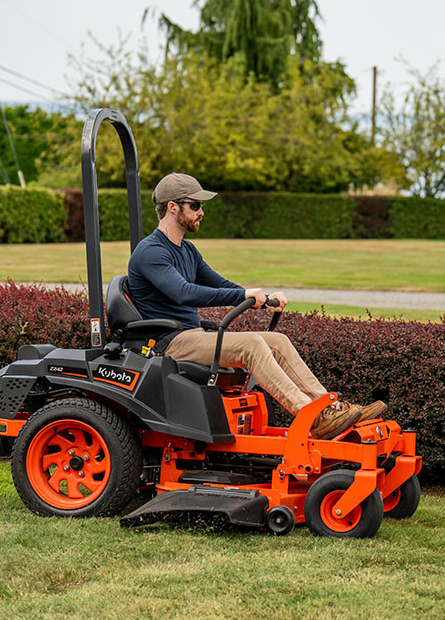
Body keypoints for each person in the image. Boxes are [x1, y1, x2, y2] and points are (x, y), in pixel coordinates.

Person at [127, 172, 386, 440]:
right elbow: (183, 293)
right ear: (173, 207)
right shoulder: (151, 252)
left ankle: (329, 407)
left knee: (277, 340)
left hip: (193, 336)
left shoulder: (188, 250)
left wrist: (263, 299)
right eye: (195, 205)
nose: (201, 212)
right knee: (251, 345)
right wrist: (242, 294)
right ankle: (310, 414)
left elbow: (222, 284)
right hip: (169, 343)